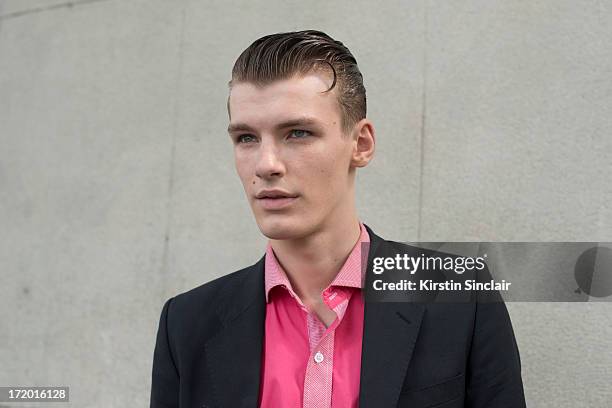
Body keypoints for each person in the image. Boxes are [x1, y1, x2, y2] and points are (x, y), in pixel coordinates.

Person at [150, 30, 526, 408]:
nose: (266, 165)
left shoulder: (459, 297)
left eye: (298, 133)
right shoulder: (186, 325)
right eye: (247, 138)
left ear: (360, 144)